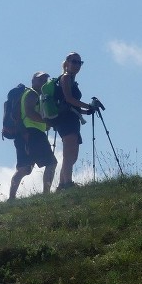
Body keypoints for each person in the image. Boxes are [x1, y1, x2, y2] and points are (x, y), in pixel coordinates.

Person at [50, 51, 99, 190]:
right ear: (66, 63)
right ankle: (67, 184)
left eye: (79, 62)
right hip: (66, 120)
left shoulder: (71, 80)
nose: (77, 65)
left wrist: (85, 111)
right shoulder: (65, 78)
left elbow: (71, 104)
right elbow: (69, 99)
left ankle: (62, 184)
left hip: (71, 118)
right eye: (74, 61)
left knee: (73, 154)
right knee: (69, 153)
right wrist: (88, 106)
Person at [9, 72, 58, 199]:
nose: (43, 81)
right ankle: (46, 195)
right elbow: (30, 113)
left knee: (25, 168)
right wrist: (47, 121)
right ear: (33, 80)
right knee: (51, 162)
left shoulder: (30, 94)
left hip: (23, 133)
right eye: (40, 79)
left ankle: (11, 198)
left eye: (45, 79)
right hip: (33, 132)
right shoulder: (32, 94)